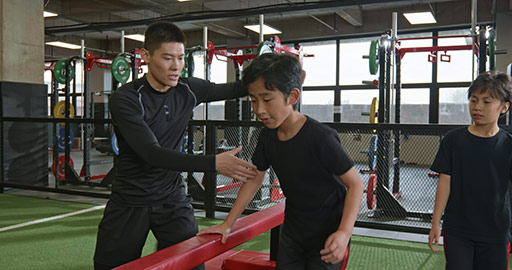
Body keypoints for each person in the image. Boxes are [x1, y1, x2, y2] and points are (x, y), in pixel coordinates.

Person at [93, 21, 257, 270]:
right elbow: (151, 153)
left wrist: (278, 72)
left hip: (172, 199)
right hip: (130, 200)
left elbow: (239, 87)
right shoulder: (126, 99)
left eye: (181, 58)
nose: (176, 66)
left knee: (192, 264)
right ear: (146, 56)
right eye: (168, 58)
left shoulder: (189, 89)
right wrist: (214, 163)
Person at [198, 53, 364, 270]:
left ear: (292, 97)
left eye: (267, 100)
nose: (259, 109)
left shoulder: (320, 137)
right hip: (294, 232)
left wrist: (343, 233)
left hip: (329, 233)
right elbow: (254, 178)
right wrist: (228, 224)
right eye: (254, 100)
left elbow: (356, 184)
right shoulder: (267, 136)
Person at [428, 70, 512, 269]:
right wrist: (435, 222)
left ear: (504, 108)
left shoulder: (508, 145)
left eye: (486, 101)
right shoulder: (453, 140)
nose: (477, 107)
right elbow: (444, 182)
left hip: (496, 232)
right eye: (473, 100)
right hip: (459, 230)